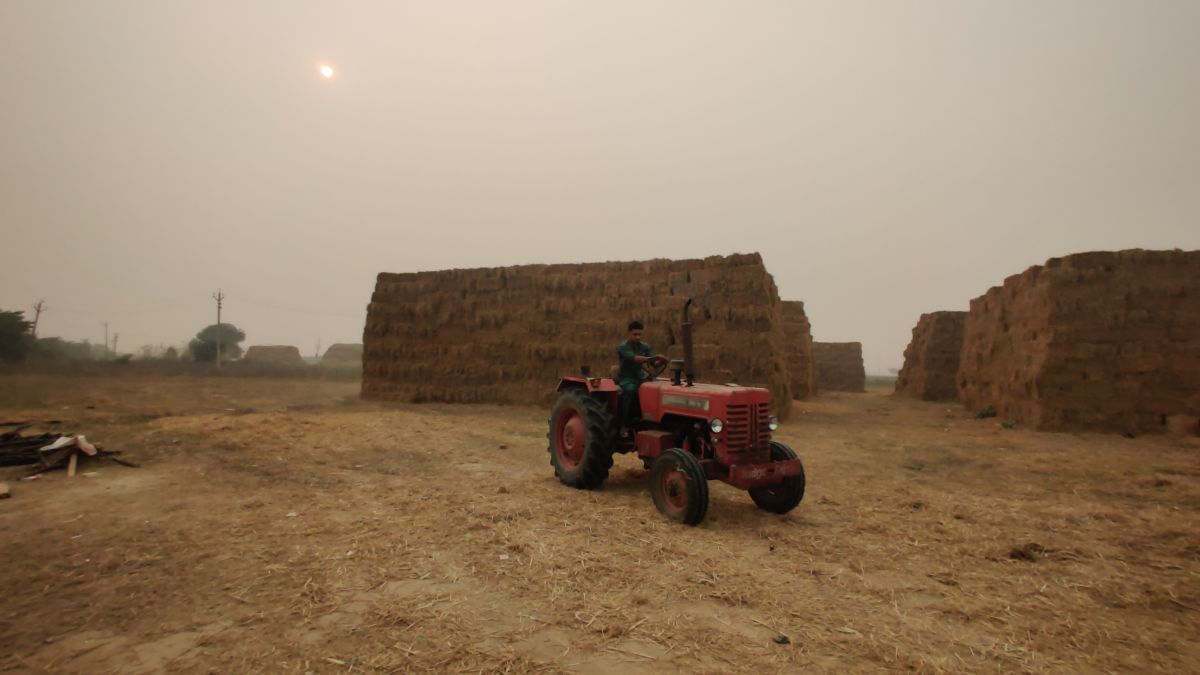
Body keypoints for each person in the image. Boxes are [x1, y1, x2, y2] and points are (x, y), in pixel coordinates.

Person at [616, 321, 666, 430]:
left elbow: (654, 364)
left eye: (640, 334)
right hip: (627, 378)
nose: (638, 337)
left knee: (655, 389)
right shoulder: (623, 347)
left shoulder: (645, 346)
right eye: (635, 334)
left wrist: (661, 360)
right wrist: (653, 358)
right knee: (630, 390)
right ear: (629, 334)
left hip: (640, 377)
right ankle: (624, 423)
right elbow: (635, 359)